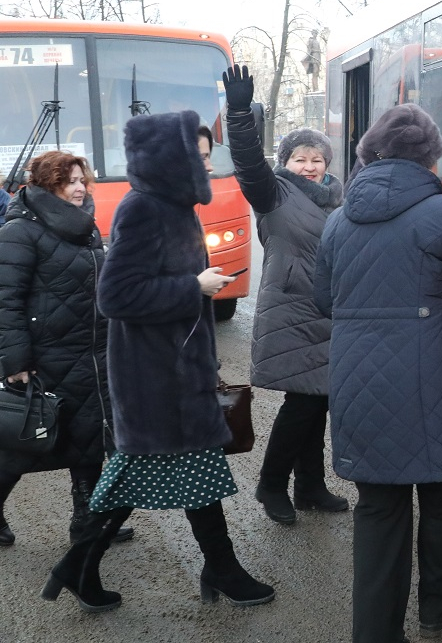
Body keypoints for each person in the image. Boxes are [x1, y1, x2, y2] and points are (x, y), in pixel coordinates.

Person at [41, 112, 273, 613]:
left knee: (177, 471)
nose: (208, 168)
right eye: (202, 158)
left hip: (174, 371)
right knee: (177, 469)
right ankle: (220, 568)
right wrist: (193, 287)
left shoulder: (172, 206)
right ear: (176, 158)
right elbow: (116, 295)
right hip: (155, 377)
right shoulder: (145, 208)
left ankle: (81, 567)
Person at [314, 104, 442, 643]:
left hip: (360, 382)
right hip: (439, 382)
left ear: (369, 154)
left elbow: (321, 301)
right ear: (430, 156)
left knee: (379, 508)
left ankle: (374, 633)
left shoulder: (337, 221)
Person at [222, 64, 348, 525]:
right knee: (303, 404)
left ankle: (310, 486)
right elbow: (247, 163)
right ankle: (271, 484)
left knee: (319, 401)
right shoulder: (272, 194)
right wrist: (239, 112)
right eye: (300, 158)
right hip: (292, 309)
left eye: (317, 159)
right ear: (286, 162)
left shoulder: (339, 197)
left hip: (330, 312)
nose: (310, 166)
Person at [0, 152, 133, 549]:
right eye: (69, 181)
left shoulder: (84, 227)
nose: (79, 188)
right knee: (24, 445)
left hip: (90, 351)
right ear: (47, 185)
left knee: (89, 436)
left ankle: (87, 522)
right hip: (45, 357)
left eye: (81, 181)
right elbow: (5, 300)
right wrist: (16, 361)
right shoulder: (19, 231)